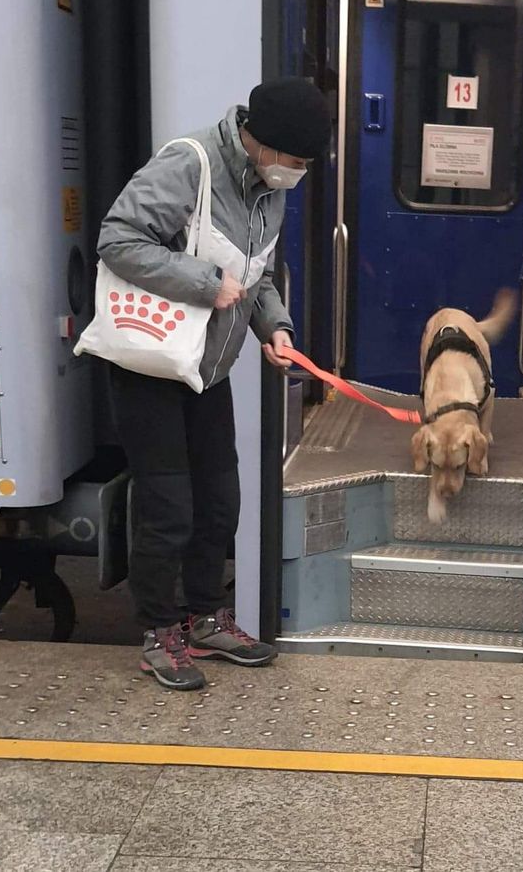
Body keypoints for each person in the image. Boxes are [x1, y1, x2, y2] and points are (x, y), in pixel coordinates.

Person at [98, 78, 331, 690]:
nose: (300, 174)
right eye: (298, 162)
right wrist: (204, 282)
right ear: (264, 143)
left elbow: (257, 273)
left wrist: (273, 328)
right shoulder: (189, 162)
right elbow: (117, 239)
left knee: (219, 503)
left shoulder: (266, 189)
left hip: (208, 370)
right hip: (151, 367)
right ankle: (158, 630)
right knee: (168, 509)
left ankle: (204, 616)